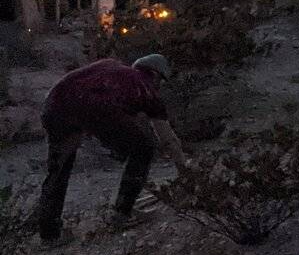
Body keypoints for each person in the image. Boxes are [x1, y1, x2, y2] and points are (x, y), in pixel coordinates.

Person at [36, 54, 189, 243]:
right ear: (155, 74)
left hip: (54, 104)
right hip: (96, 109)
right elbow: (168, 139)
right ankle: (122, 213)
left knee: (59, 168)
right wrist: (185, 171)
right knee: (144, 149)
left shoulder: (109, 67)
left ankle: (50, 234)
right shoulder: (145, 86)